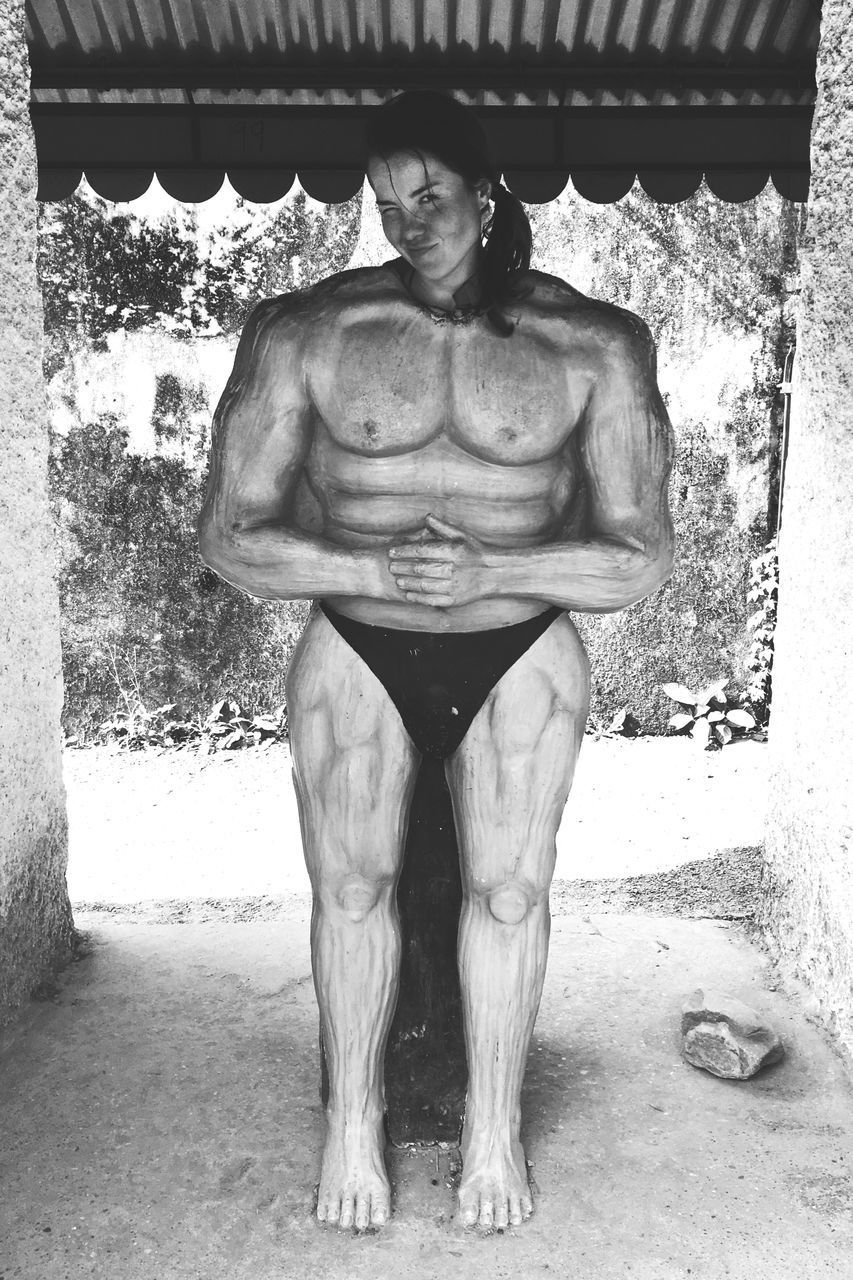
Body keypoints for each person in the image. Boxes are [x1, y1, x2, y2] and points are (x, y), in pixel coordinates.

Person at [198, 90, 674, 1232]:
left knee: (510, 888)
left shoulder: (593, 343)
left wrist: (494, 579)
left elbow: (639, 557)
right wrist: (367, 573)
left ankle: (495, 1127)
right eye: (386, 205)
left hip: (517, 638)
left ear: (483, 190)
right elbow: (230, 533)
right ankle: (351, 1117)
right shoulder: (309, 331)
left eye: (430, 196)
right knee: (349, 885)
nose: (409, 224)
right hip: (358, 639)